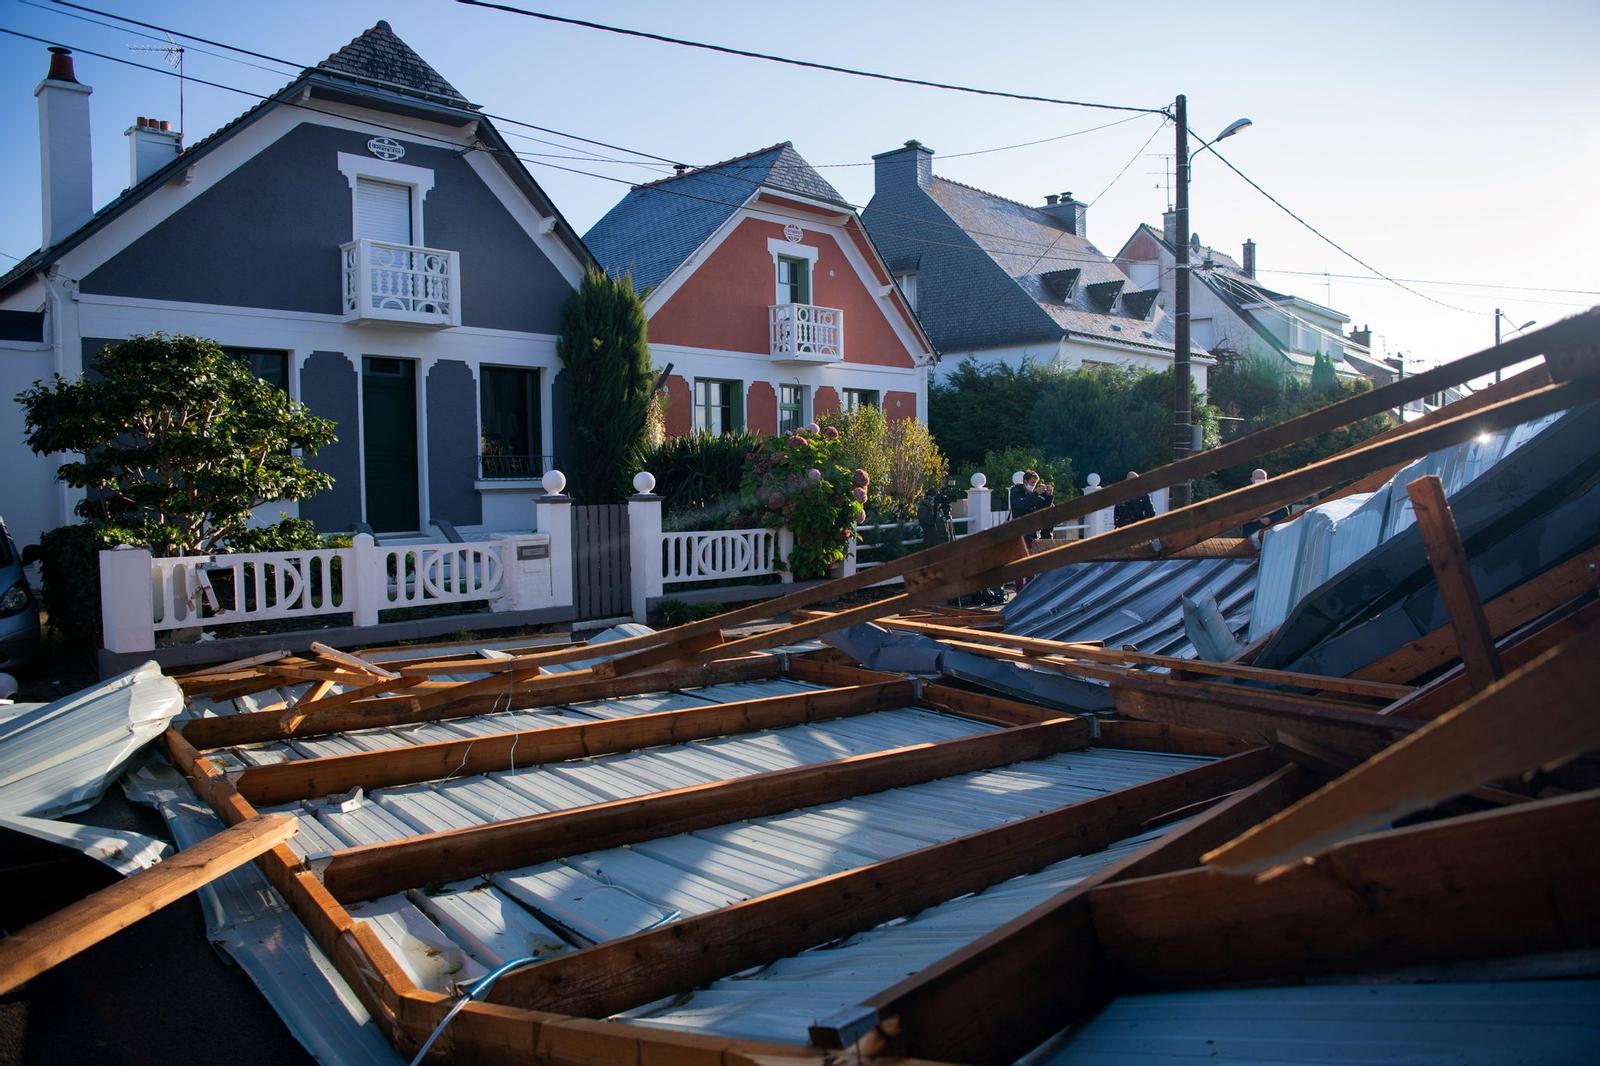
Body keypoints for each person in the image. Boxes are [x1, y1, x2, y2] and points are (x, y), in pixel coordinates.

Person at [1242, 467, 1292, 548]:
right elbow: (1237, 517)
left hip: (1271, 537)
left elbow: (1284, 513)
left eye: (1263, 478)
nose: (1261, 480)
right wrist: (1251, 518)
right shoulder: (1244, 496)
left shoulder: (1275, 495)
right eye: (1258, 478)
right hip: (1250, 538)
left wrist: (1270, 519)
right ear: (1252, 479)